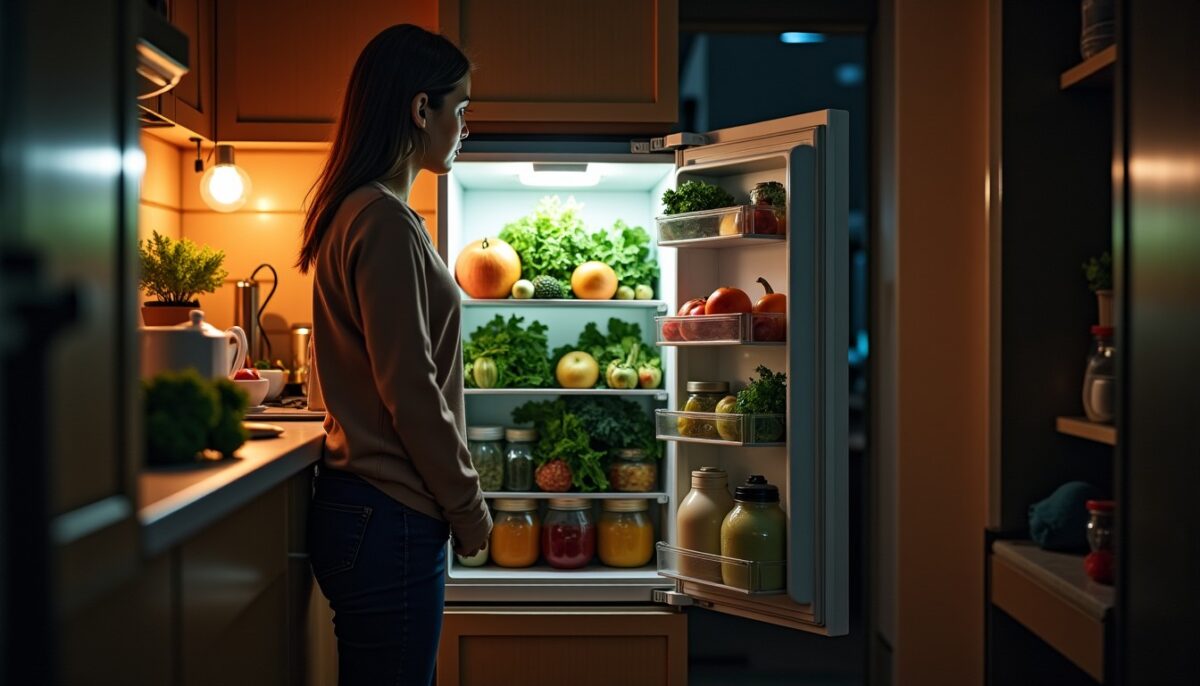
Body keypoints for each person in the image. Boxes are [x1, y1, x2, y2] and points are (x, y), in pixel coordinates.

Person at [297, 24, 489, 686]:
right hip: (392, 512)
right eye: (459, 107)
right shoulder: (381, 221)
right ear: (420, 109)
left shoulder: (361, 212)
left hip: (370, 511)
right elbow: (410, 389)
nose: (465, 125)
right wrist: (467, 505)